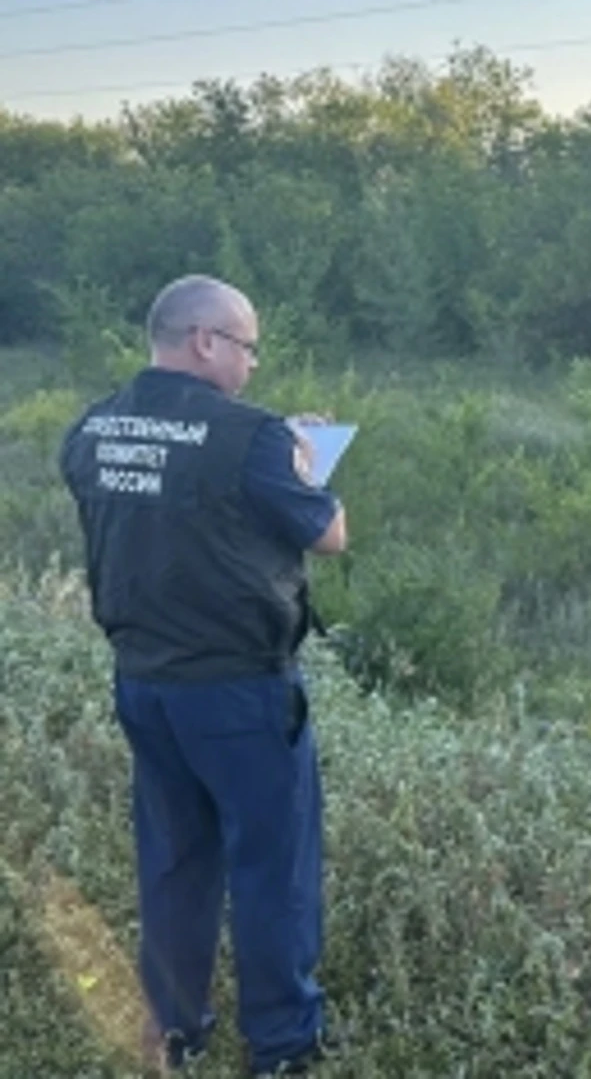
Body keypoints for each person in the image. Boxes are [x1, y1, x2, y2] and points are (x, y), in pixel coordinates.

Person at [59, 275, 347, 1076]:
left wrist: (270, 457)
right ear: (205, 342)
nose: (253, 365)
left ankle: (177, 1027)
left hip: (144, 684)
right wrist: (301, 464)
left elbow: (163, 495)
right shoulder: (250, 438)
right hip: (240, 691)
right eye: (247, 346)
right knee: (271, 864)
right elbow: (328, 534)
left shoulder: (93, 428)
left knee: (177, 858)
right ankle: (285, 1043)